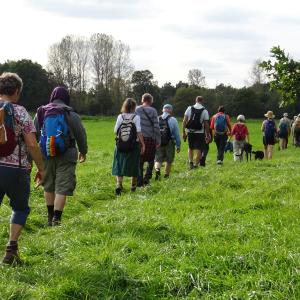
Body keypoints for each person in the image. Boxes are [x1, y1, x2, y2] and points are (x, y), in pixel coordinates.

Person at [0, 72, 44, 265]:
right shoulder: (20, 112)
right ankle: (10, 251)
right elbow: (32, 145)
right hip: (15, 169)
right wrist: (41, 168)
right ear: (17, 91)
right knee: (20, 208)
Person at [34, 86, 88, 226]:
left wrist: (31, 158)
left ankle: (49, 216)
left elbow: (33, 136)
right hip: (67, 153)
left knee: (49, 184)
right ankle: (56, 219)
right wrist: (83, 151)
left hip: (45, 153)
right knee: (62, 186)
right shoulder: (70, 113)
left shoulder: (41, 112)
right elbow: (80, 134)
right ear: (66, 98)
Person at [112, 98, 145, 195]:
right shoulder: (136, 117)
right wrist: (142, 144)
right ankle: (133, 187)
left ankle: (119, 185)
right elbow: (138, 131)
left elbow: (115, 131)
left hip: (120, 145)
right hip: (133, 146)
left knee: (119, 164)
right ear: (134, 107)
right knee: (134, 165)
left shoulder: (120, 116)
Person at [136, 93, 161, 186]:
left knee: (139, 161)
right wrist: (158, 140)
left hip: (138, 139)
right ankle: (147, 177)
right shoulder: (153, 111)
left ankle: (139, 181)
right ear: (151, 101)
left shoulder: (136, 109)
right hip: (150, 138)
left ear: (142, 100)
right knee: (151, 159)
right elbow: (156, 126)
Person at [182, 96, 210, 169]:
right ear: (202, 101)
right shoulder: (204, 110)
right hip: (200, 132)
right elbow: (206, 124)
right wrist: (207, 135)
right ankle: (195, 165)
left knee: (190, 147)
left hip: (189, 131)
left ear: (196, 100)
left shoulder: (189, 108)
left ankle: (190, 162)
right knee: (199, 149)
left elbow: (184, 121)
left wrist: (183, 132)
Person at [154, 104, 181, 179]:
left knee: (158, 159)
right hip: (169, 142)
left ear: (163, 110)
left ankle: (157, 170)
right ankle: (166, 175)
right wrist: (178, 145)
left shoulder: (156, 119)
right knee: (169, 160)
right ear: (171, 111)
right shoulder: (173, 120)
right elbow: (177, 134)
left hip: (158, 142)